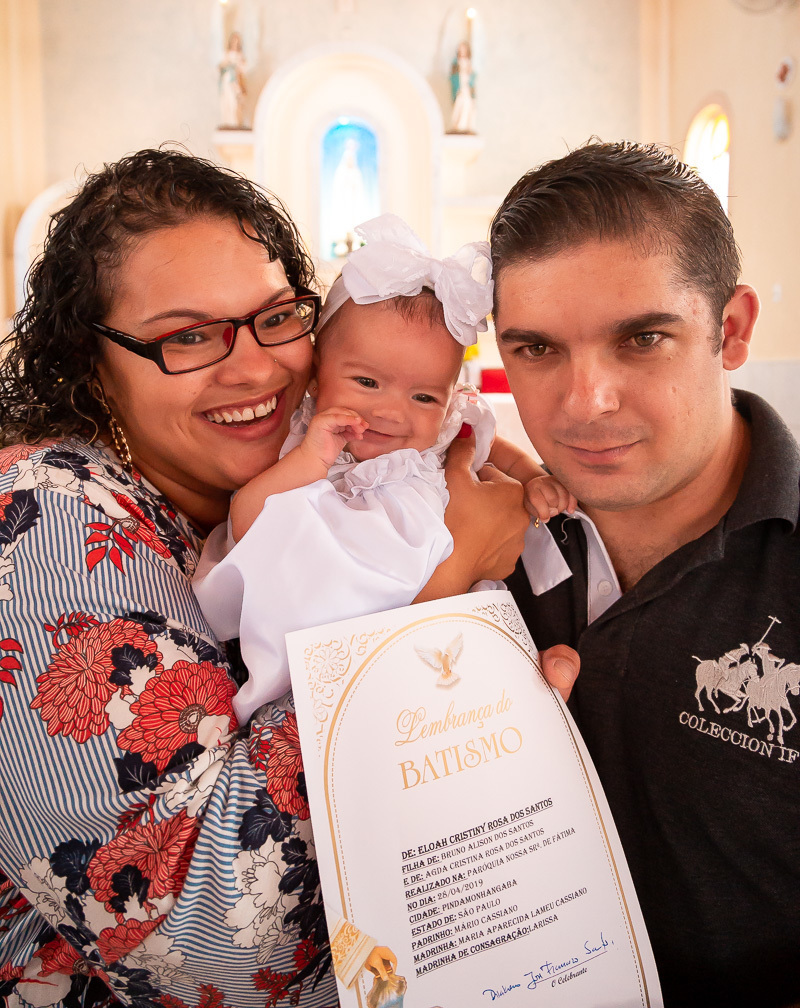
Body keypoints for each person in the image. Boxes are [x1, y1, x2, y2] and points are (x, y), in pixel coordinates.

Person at [0, 149, 533, 1008]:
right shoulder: (46, 517)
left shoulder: (297, 474)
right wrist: (450, 575)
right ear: (90, 363)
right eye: (187, 334)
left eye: (276, 316)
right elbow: (214, 940)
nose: (255, 368)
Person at [489, 139, 799, 1008]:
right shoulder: (465, 545)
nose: (586, 401)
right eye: (538, 349)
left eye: (643, 338)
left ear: (730, 330)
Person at [193, 215, 574, 723]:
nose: (392, 412)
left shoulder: (445, 427)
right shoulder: (305, 440)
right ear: (315, 374)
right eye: (367, 382)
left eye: (423, 395)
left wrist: (533, 478)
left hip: (448, 596)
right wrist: (311, 460)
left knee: (476, 689)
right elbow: (248, 517)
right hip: (330, 602)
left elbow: (494, 447)